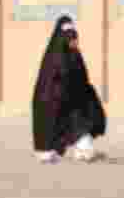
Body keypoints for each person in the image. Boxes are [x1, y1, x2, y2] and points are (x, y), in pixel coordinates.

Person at [32, 16, 107, 163]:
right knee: (57, 133)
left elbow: (80, 78)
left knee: (86, 118)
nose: (75, 42)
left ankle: (81, 150)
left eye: (75, 38)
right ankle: (75, 151)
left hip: (70, 100)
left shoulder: (74, 55)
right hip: (54, 102)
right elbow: (52, 84)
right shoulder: (56, 57)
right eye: (71, 39)